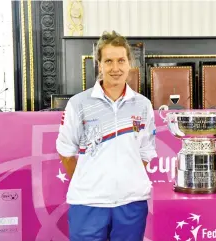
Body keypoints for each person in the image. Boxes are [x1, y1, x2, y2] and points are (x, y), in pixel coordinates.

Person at [56, 30, 157, 241]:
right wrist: (90, 181)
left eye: (121, 60)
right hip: (88, 204)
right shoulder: (79, 104)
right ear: (99, 65)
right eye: (108, 61)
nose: (115, 68)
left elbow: (146, 152)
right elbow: (66, 152)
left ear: (130, 63)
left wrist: (127, 180)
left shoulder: (143, 105)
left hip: (132, 205)